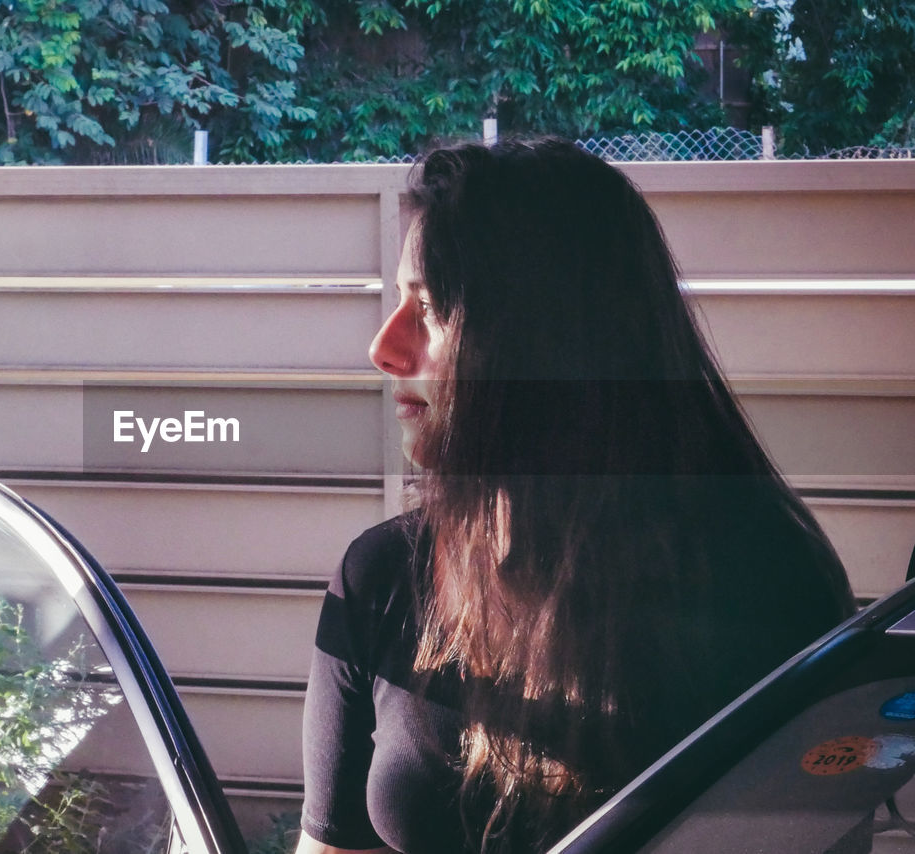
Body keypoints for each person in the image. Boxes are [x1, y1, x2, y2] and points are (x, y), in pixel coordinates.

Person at [295, 138, 856, 854]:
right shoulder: (379, 580)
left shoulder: (771, 594)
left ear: (541, 345)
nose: (384, 346)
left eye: (429, 309)